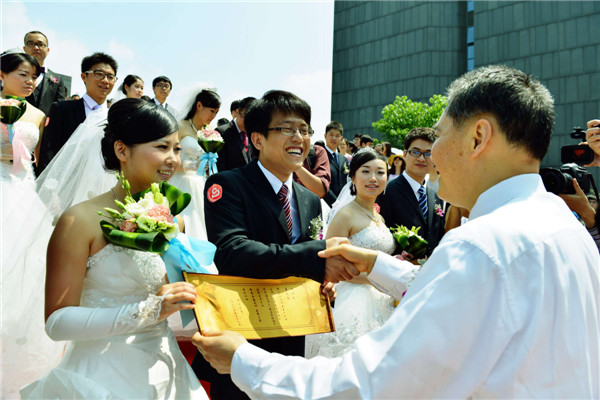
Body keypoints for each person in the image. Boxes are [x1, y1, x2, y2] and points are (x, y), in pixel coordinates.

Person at [192, 65, 600, 399]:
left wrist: (244, 362)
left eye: (438, 136)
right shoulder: (567, 227)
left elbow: (374, 384)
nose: (429, 156)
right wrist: (375, 263)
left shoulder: (481, 246)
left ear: (478, 137)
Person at [21, 99, 209, 399]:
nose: (173, 158)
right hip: (102, 374)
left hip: (167, 368)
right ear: (122, 150)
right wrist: (148, 311)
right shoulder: (79, 220)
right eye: (162, 147)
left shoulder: (176, 220)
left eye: (176, 148)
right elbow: (57, 323)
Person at [191, 90, 352, 399]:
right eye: (286, 128)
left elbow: (300, 261)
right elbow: (233, 253)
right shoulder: (227, 184)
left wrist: (321, 281)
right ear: (258, 139)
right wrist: (316, 258)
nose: (299, 137)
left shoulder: (308, 198)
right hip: (243, 338)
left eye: (304, 129)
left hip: (293, 338)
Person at [306, 149, 417, 358]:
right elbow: (332, 266)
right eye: (366, 172)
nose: (373, 178)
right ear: (353, 177)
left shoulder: (379, 217)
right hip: (353, 301)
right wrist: (383, 277)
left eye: (380, 172)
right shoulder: (345, 215)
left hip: (382, 299)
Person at [1, 51, 65, 399]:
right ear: (2, 74)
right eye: (22, 74)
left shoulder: (39, 115)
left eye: (34, 77)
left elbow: (38, 163)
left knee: (30, 269)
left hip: (24, 194)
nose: (30, 81)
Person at [36, 52, 117, 175]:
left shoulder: (116, 117)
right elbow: (49, 151)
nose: (105, 80)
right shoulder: (62, 109)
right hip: (64, 182)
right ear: (84, 76)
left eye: (110, 77)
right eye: (99, 74)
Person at [377, 127, 445, 257]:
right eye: (415, 152)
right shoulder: (387, 192)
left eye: (428, 154)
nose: (421, 158)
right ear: (404, 154)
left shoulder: (436, 194)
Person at [170, 89, 221, 243]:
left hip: (201, 183)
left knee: (201, 224)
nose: (213, 116)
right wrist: (192, 165)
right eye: (211, 111)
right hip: (180, 181)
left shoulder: (208, 132)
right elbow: (168, 158)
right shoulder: (180, 126)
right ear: (199, 106)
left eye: (217, 112)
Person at [22, 30, 71, 115]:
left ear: (48, 50)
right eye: (31, 43)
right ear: (24, 48)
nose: (36, 47)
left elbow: (60, 109)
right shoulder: (12, 73)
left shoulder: (58, 80)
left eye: (40, 44)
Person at [215, 96, 255, 171]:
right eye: (247, 119)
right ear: (237, 112)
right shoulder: (222, 132)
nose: (250, 124)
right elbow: (220, 166)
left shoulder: (253, 134)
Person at [323, 121, 349, 207]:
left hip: (343, 203)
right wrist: (335, 203)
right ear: (325, 136)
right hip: (325, 202)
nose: (334, 138)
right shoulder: (320, 155)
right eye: (331, 135)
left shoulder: (343, 158)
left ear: (341, 138)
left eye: (337, 136)